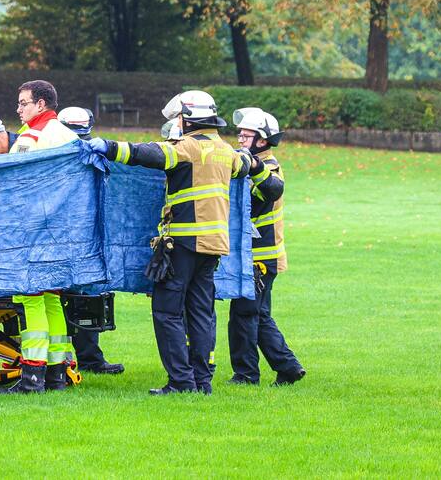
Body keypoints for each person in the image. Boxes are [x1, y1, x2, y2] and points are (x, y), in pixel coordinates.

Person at [87, 89, 252, 395]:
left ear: (188, 119)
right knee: (201, 313)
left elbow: (145, 153)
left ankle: (180, 381)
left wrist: (107, 147)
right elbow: (248, 165)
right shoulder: (226, 151)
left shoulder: (187, 148)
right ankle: (202, 381)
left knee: (167, 312)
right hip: (213, 245)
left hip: (184, 244)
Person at [2, 80, 80, 394]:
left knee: (31, 299)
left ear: (41, 105)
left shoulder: (30, 137)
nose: (18, 109)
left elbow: (14, 183)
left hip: (33, 230)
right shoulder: (69, 135)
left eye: (23, 103)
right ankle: (56, 375)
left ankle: (32, 378)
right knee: (52, 300)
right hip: (63, 232)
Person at [227, 107, 306, 386]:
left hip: (260, 257)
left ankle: (246, 374)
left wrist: (254, 167)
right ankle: (288, 368)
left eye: (245, 135)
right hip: (253, 256)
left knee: (245, 315)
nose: (239, 140)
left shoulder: (269, 167)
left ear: (262, 140)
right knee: (257, 315)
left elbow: (271, 190)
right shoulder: (247, 164)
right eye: (239, 134)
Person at [57, 106, 124, 377]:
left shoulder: (91, 152)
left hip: (83, 238)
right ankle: (74, 360)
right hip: (66, 238)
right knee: (71, 298)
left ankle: (88, 359)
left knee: (84, 297)